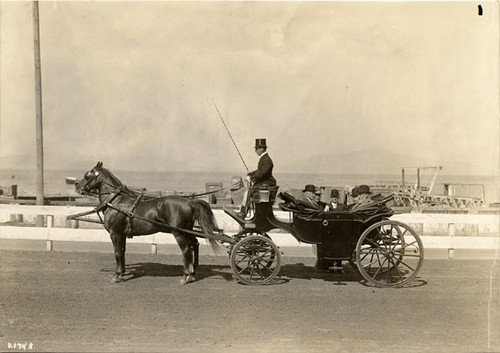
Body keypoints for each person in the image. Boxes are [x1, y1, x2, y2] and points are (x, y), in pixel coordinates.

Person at [236, 138, 276, 218]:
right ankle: (243, 211)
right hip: (264, 183)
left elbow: (262, 173)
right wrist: (251, 173)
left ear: (261, 149)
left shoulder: (267, 160)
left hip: (267, 183)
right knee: (247, 191)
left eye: (257, 149)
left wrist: (251, 178)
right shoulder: (264, 158)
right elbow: (259, 171)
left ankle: (243, 213)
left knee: (248, 192)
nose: (256, 151)